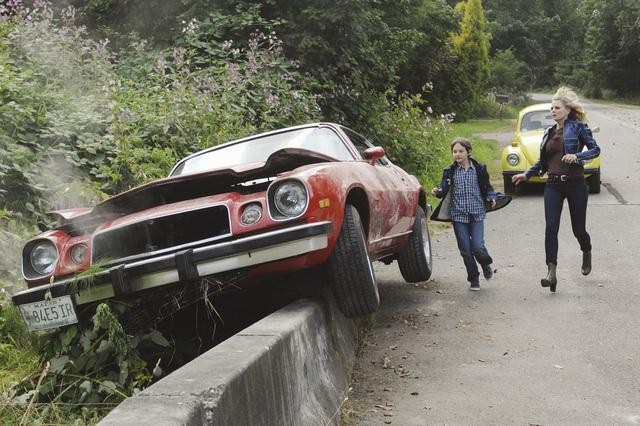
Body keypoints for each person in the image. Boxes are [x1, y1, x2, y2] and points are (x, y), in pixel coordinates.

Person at [512, 86, 600, 292]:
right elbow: (543, 163)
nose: (553, 111)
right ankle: (551, 273)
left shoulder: (578, 128)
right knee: (551, 228)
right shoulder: (548, 133)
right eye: (551, 108)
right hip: (553, 185)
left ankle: (586, 251)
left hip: (576, 184)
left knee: (578, 229)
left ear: (568, 109)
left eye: (557, 107)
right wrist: (526, 174)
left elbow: (595, 150)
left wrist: (578, 156)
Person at [432, 137, 497, 291]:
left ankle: (485, 263)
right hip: (458, 215)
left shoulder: (479, 169)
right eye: (454, 151)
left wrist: (491, 197)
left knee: (478, 247)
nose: (457, 154)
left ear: (469, 152)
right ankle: (474, 278)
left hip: (476, 213)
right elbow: (443, 190)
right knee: (466, 250)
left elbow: (487, 187)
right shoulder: (450, 171)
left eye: (461, 151)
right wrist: (437, 192)